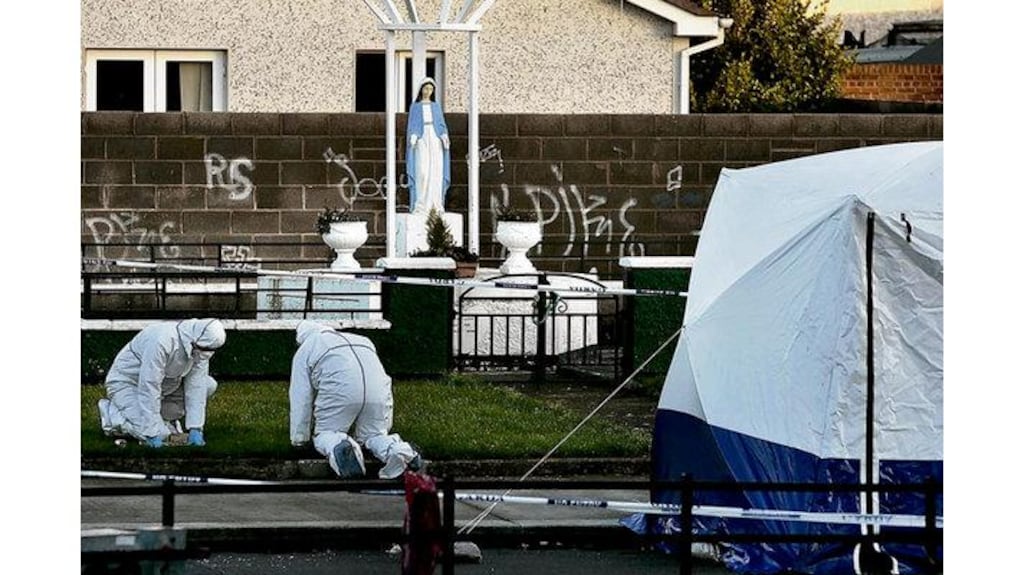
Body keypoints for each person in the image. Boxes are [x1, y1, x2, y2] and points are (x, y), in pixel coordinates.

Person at [289, 320, 422, 479]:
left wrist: (299, 439)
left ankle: (340, 446)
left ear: (301, 338)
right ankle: (399, 451)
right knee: (373, 435)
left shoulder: (306, 348)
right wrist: (384, 426)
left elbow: (300, 396)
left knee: (326, 433)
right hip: (377, 390)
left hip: (341, 390)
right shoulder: (363, 340)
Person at [98, 318, 227, 448]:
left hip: (164, 388)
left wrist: (196, 427)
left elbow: (196, 386)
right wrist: (152, 432)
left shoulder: (202, 346)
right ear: (194, 341)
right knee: (161, 434)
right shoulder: (162, 340)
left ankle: (159, 421)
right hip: (127, 385)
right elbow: (149, 385)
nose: (206, 354)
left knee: (208, 385)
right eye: (203, 349)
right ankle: (113, 417)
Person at [405, 76, 451, 216]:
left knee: (436, 170)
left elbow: (441, 124)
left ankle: (435, 202)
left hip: (435, 138)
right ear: (421, 90)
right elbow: (412, 125)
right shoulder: (415, 107)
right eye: (426, 88)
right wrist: (413, 136)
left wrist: (443, 135)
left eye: (431, 89)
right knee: (422, 170)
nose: (428, 91)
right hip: (421, 138)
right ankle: (420, 203)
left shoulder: (436, 107)